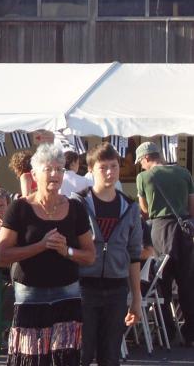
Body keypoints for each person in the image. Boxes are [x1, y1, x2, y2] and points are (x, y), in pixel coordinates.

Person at [0, 143, 96, 366]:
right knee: (31, 358)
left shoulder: (75, 208)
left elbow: (90, 256)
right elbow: (2, 254)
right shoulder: (19, 208)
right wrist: (41, 245)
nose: (55, 175)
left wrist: (66, 250)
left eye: (59, 169)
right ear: (34, 174)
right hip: (30, 293)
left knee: (65, 358)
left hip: (67, 292)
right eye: (48, 169)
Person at [73, 142, 142, 366]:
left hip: (116, 287)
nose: (110, 172)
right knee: (81, 352)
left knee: (111, 355)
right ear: (91, 170)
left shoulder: (129, 206)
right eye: (103, 167)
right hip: (84, 285)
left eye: (114, 166)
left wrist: (137, 297)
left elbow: (134, 254)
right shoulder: (79, 203)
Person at [134, 140, 194, 343]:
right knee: (186, 283)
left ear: (147, 158)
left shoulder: (143, 177)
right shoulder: (184, 173)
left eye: (140, 161)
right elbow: (192, 205)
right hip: (183, 229)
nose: (140, 165)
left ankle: (166, 333)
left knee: (161, 283)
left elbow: (143, 211)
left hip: (159, 230)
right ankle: (190, 333)